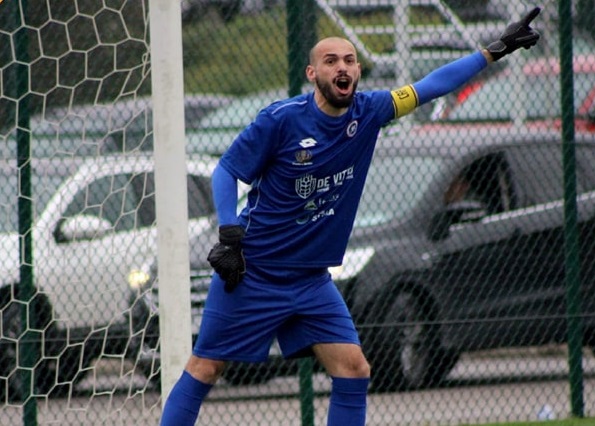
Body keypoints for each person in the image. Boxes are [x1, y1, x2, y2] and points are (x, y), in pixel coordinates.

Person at [159, 7, 541, 425]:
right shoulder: (281, 121)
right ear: (312, 73)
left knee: (353, 368)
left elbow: (432, 86)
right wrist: (230, 233)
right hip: (255, 273)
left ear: (357, 70)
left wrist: (493, 52)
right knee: (206, 368)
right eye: (331, 61)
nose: (342, 67)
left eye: (349, 60)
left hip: (311, 280)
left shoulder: (371, 110)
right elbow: (228, 170)